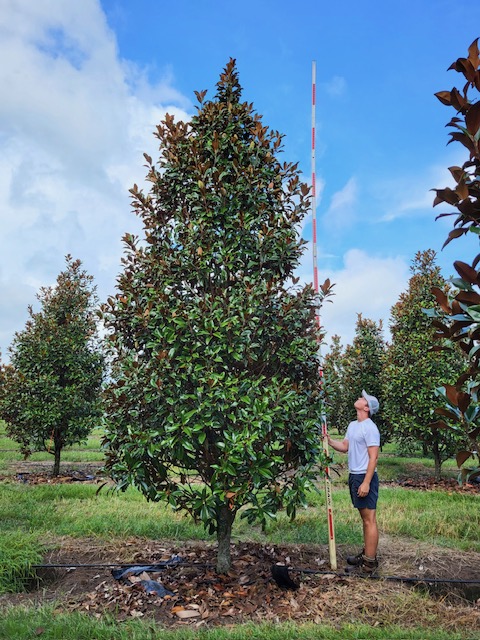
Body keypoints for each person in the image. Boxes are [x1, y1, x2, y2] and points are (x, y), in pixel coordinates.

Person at [327, 390, 380, 575]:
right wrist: (329, 441)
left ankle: (370, 564)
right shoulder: (353, 425)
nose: (359, 397)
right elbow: (345, 446)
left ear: (366, 407)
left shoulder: (370, 428)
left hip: (365, 476)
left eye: (363, 398)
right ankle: (367, 554)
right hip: (354, 475)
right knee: (364, 519)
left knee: (369, 520)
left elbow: (373, 458)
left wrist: (366, 483)